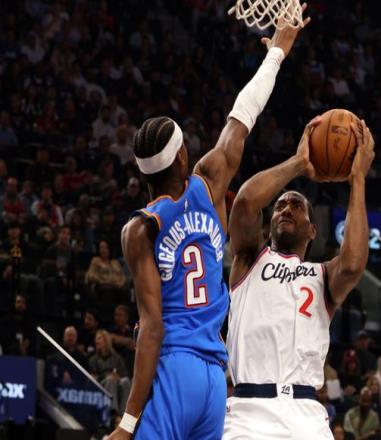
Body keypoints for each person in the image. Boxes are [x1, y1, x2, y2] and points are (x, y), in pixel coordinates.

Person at [108, 17, 311, 440]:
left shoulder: (140, 229)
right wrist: (277, 52)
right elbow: (243, 115)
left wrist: (127, 423)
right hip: (215, 378)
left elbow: (152, 328)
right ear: (182, 157)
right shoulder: (209, 181)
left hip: (174, 367)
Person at [223, 117, 374, 440]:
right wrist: (297, 163)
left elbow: (353, 265)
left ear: (313, 229)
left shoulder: (322, 275)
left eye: (296, 205)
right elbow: (246, 203)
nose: (286, 209)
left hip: (306, 413)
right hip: (249, 410)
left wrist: (358, 179)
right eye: (279, 206)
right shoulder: (249, 259)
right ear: (269, 225)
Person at [89, 330, 131, 414]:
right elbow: (93, 377)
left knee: (125, 381)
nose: (96, 341)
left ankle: (124, 413)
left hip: (117, 381)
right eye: (96, 339)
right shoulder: (93, 359)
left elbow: (125, 374)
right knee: (111, 380)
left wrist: (118, 376)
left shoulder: (117, 358)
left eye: (99, 338)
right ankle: (113, 413)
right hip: (102, 383)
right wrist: (106, 376)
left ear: (106, 341)